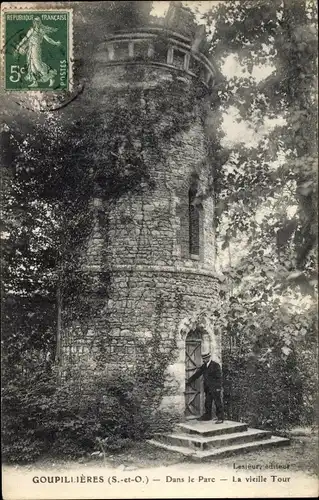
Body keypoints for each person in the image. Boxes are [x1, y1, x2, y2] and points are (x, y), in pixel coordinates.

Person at [14, 17, 61, 88]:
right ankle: (35, 82)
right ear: (34, 23)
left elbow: (48, 39)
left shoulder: (41, 31)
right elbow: (25, 39)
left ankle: (51, 78)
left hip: (36, 48)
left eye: (38, 22)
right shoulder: (31, 30)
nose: (37, 23)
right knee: (31, 65)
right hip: (30, 49)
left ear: (40, 23)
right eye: (35, 22)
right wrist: (18, 47)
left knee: (38, 65)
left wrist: (56, 43)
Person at [186, 352, 224, 423]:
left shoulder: (215, 365)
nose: (204, 360)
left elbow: (219, 378)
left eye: (205, 358)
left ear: (208, 358)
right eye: (203, 358)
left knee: (217, 403)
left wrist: (218, 388)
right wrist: (188, 381)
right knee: (208, 403)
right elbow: (197, 374)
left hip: (215, 388)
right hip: (208, 388)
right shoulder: (204, 366)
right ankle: (208, 416)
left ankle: (220, 418)